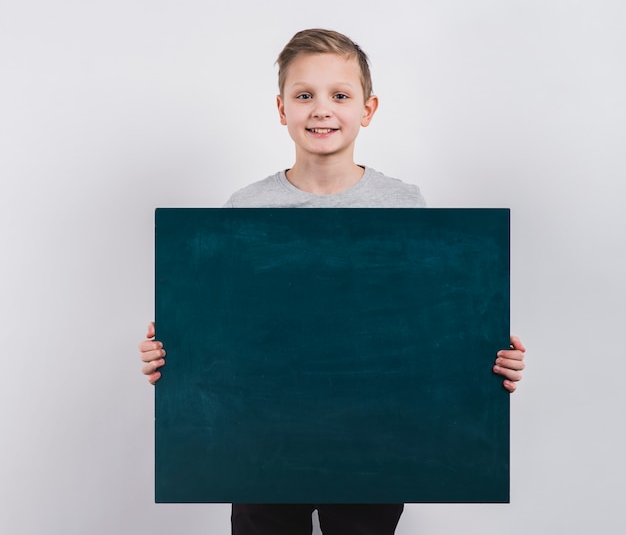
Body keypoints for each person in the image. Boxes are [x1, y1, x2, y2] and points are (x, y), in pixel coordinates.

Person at [139, 29, 527, 535]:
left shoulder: (404, 205)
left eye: (339, 95)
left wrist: (488, 362)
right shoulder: (244, 209)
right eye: (304, 96)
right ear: (282, 109)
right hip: (262, 444)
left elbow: (427, 328)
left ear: (368, 108)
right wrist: (173, 355)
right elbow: (227, 330)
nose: (322, 109)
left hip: (374, 442)